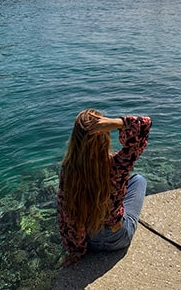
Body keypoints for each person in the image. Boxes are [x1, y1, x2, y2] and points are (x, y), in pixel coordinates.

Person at [57, 109, 152, 267]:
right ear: (104, 135)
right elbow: (145, 125)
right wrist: (117, 123)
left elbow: (66, 214)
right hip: (117, 237)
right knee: (139, 180)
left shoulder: (68, 170)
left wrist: (77, 250)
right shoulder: (118, 164)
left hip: (90, 240)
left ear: (75, 139)